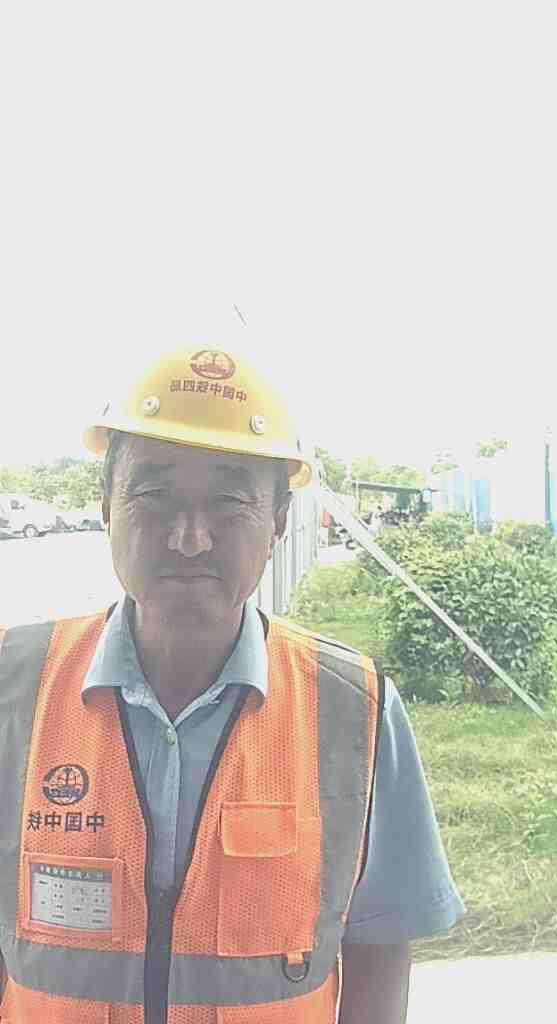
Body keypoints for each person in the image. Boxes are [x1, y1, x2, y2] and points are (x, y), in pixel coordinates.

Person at [0, 347, 464, 1024]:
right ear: (105, 505)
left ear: (277, 523)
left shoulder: (354, 710)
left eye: (229, 502)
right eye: (153, 495)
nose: (189, 539)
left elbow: (380, 945)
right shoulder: (14, 686)